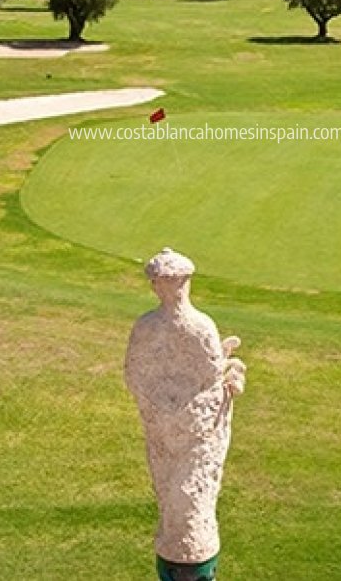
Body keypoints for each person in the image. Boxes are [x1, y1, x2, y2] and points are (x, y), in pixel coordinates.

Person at [124, 248, 247, 581]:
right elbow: (210, 376)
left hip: (177, 429)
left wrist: (165, 408)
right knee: (183, 503)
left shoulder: (153, 325)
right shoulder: (194, 326)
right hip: (182, 431)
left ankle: (189, 558)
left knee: (185, 502)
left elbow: (137, 376)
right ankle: (186, 562)